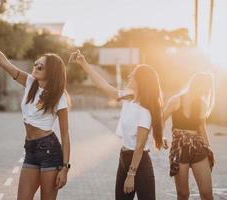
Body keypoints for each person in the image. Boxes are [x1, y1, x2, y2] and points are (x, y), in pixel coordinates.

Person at [0, 31, 71, 200]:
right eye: (35, 64)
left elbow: (65, 134)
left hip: (50, 151)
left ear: (51, 72)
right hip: (30, 149)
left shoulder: (59, 97)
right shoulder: (30, 82)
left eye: (40, 66)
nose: (35, 67)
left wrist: (65, 167)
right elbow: (3, 62)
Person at [70, 50, 163, 200]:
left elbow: (139, 147)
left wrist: (131, 175)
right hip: (124, 157)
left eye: (133, 74)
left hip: (139, 163)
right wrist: (84, 64)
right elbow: (103, 85)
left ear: (141, 81)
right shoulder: (128, 98)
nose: (129, 76)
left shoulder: (144, 111)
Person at [164, 72, 215, 200]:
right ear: (195, 85)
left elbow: (201, 128)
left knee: (207, 193)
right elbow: (160, 119)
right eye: (203, 88)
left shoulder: (201, 104)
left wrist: (208, 149)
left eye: (207, 89)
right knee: (183, 194)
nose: (204, 92)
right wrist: (162, 137)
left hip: (198, 146)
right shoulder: (176, 100)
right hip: (180, 147)